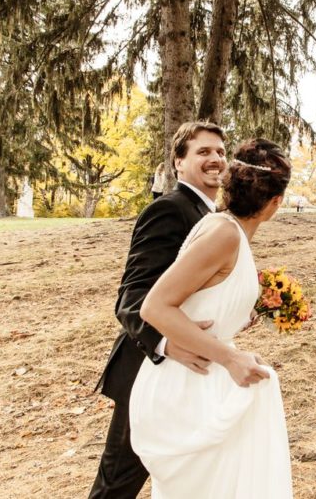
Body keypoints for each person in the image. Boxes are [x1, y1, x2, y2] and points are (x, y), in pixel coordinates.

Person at [129, 139, 293, 498]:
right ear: (275, 203)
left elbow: (200, 301)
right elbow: (153, 307)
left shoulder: (225, 230)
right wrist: (231, 357)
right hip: (187, 386)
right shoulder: (223, 233)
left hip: (203, 381)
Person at [89, 121, 227, 499]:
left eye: (219, 152)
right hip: (146, 368)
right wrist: (167, 343)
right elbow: (131, 299)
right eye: (203, 151)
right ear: (178, 163)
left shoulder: (212, 216)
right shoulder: (169, 210)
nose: (215, 159)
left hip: (193, 372)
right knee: (118, 483)